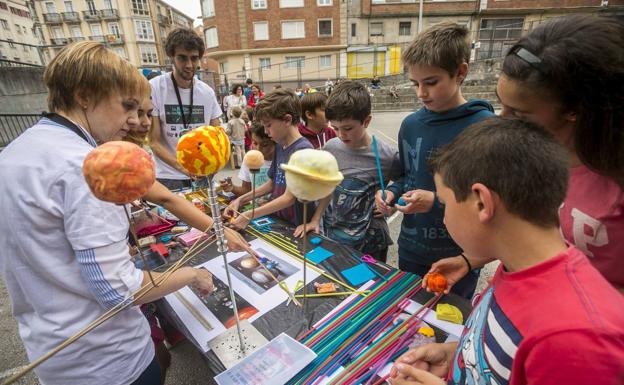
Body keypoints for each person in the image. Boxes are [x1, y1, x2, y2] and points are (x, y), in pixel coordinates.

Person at [0, 41, 215, 385]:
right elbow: (119, 291)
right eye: (126, 105)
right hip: (109, 361)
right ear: (85, 96)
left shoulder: (16, 151)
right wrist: (191, 274)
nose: (133, 120)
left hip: (53, 353)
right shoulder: (88, 168)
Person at [389, 117, 624, 385]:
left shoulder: (576, 340)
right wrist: (456, 357)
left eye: (445, 203)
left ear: (481, 203)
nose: (444, 218)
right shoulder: (517, 267)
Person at [427, 15, 624, 294]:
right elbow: (522, 232)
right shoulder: (523, 158)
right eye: (501, 104)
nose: (502, 119)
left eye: (519, 113)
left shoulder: (614, 182)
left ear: (574, 110)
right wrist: (469, 259)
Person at [125, 96, 248, 383]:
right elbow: (124, 289)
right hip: (111, 350)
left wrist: (219, 230)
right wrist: (192, 273)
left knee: (158, 361)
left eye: (147, 113)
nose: (143, 121)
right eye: (134, 111)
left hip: (130, 335)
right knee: (154, 363)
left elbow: (165, 197)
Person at [374, 22, 494, 299]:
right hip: (412, 248)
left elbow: (490, 200)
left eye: (431, 83)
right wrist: (391, 192)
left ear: (460, 72)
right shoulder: (411, 124)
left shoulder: (484, 127)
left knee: (449, 322)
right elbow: (407, 177)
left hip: (461, 255)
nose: (421, 93)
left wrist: (437, 201)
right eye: (415, 83)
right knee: (409, 317)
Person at [294, 81, 400, 261]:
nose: (341, 135)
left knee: (369, 285)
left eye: (348, 128)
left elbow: (403, 185)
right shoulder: (331, 147)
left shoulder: (387, 155)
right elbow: (328, 186)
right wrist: (315, 219)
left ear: (366, 121)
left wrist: (391, 206)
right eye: (335, 128)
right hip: (333, 234)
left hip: (371, 242)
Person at [224, 89, 313, 228]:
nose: (266, 131)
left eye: (268, 125)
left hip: (298, 225)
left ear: (287, 120)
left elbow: (289, 198)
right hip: (281, 219)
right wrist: (240, 200)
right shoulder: (280, 145)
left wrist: (250, 214)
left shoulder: (302, 150)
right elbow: (272, 183)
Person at [148, 28, 222, 191]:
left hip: (202, 174)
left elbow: (217, 134)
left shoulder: (207, 92)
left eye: (194, 58)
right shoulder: (155, 88)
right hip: (169, 176)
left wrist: (216, 163)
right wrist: (182, 168)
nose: (189, 65)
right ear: (172, 57)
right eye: (182, 58)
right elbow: (154, 141)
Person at [221, 121, 276, 197]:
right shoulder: (249, 159)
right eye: (255, 143)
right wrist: (232, 188)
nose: (258, 149)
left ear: (275, 142)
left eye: (265, 145)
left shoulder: (282, 159)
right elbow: (246, 190)